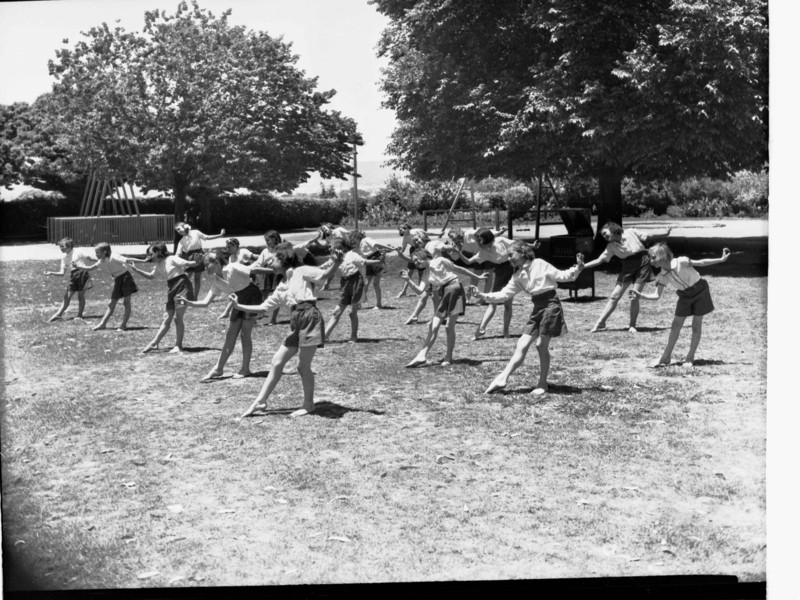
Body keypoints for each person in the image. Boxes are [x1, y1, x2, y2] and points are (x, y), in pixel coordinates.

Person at [233, 242, 344, 418]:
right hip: (296, 320)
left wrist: (336, 262)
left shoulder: (301, 271)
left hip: (309, 316)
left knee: (302, 366)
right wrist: (238, 305)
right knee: (277, 361)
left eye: (273, 259)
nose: (269, 263)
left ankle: (309, 405)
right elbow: (263, 307)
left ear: (283, 259)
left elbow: (323, 275)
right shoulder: (282, 284)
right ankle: (260, 401)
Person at [472, 241, 584, 395]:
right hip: (537, 308)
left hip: (551, 305)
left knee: (540, 345)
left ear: (523, 252)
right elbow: (503, 294)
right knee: (521, 344)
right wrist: (482, 295)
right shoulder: (518, 275)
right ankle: (502, 378)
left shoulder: (539, 263)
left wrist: (577, 268)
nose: (509, 259)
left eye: (511, 255)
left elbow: (563, 276)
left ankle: (542, 383)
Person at [631, 243, 730, 369]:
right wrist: (640, 296)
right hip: (684, 296)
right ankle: (666, 357)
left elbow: (702, 262)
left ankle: (690, 357)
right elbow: (656, 295)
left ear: (663, 256)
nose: (651, 261)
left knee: (696, 324)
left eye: (653, 257)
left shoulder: (681, 261)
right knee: (676, 325)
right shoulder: (662, 275)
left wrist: (721, 259)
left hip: (700, 290)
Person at [177, 252, 271, 380]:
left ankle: (245, 369)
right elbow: (205, 303)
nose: (205, 268)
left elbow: (253, 269)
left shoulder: (232, 267)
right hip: (237, 300)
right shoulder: (216, 281)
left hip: (252, 296)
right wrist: (189, 303)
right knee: (230, 335)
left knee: (245, 334)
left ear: (216, 262)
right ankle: (218, 368)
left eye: (207, 264)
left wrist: (276, 270)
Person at [402, 247, 488, 368]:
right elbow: (419, 291)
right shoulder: (425, 273)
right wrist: (408, 280)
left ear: (424, 256)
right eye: (414, 262)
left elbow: (458, 269)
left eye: (417, 260)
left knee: (449, 326)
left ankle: (448, 356)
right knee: (434, 325)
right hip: (444, 293)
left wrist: (477, 277)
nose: (416, 263)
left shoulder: (440, 260)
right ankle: (421, 356)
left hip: (454, 289)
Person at [582, 221, 671, 333]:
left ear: (612, 228)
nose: (604, 236)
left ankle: (632, 325)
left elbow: (649, 236)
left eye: (605, 233)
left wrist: (665, 234)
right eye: (603, 235)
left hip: (643, 264)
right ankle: (600, 323)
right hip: (627, 268)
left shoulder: (631, 232)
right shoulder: (611, 246)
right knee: (614, 296)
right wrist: (583, 266)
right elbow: (600, 260)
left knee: (634, 296)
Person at [126, 243, 200, 353]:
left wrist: (198, 261)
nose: (150, 256)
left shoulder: (172, 259)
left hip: (183, 287)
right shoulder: (158, 265)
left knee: (177, 317)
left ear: (158, 252)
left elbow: (189, 263)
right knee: (167, 318)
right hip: (172, 288)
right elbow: (151, 276)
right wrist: (136, 270)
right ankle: (154, 343)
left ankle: (178, 346)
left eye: (151, 254)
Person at [454, 227, 516, 339]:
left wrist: (531, 247)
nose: (478, 242)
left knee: (507, 304)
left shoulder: (500, 240)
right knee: (493, 302)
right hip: (501, 272)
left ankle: (505, 332)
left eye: (480, 239)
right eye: (477, 240)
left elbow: (517, 245)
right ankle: (481, 329)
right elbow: (468, 261)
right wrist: (458, 252)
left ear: (487, 238)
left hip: (513, 270)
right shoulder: (482, 252)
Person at [324, 236, 386, 342]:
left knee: (352, 312)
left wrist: (378, 261)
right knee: (336, 312)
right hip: (344, 284)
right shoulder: (333, 258)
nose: (329, 248)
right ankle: (324, 337)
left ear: (338, 246)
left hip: (356, 282)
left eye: (331, 246)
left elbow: (364, 261)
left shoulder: (351, 255)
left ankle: (354, 336)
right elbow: (324, 267)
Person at [75, 242, 143, 331]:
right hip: (118, 280)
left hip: (126, 278)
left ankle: (123, 325)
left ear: (105, 252)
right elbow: (90, 268)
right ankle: (102, 324)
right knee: (112, 303)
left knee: (126, 303)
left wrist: (144, 260)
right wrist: (77, 266)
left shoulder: (114, 256)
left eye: (98, 252)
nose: (96, 255)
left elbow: (128, 260)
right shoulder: (102, 260)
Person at [44, 237, 95, 321]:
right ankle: (58, 314)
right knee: (67, 296)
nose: (61, 248)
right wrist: (51, 273)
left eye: (62, 246)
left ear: (69, 245)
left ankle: (79, 315)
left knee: (80, 296)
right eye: (60, 246)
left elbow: (90, 258)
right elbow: (62, 273)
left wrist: (101, 260)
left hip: (82, 274)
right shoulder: (64, 259)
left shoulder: (78, 251)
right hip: (73, 276)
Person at [174, 221, 226, 301]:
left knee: (197, 279)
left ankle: (194, 298)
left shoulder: (196, 232)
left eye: (179, 229)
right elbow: (178, 254)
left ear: (184, 226)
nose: (178, 231)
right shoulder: (181, 241)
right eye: (177, 230)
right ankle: (181, 296)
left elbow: (207, 237)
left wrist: (219, 235)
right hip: (189, 259)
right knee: (186, 278)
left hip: (199, 257)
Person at [349, 229, 400, 309]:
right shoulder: (358, 246)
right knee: (365, 284)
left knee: (376, 284)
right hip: (369, 262)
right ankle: (359, 303)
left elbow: (377, 245)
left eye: (353, 239)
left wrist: (390, 248)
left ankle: (378, 304)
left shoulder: (366, 239)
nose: (353, 242)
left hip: (377, 260)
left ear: (357, 237)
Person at [254, 230, 284, 325]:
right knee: (264, 294)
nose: (266, 242)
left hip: (277, 274)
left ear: (274, 239)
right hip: (266, 274)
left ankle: (273, 319)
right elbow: (259, 263)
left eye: (268, 240)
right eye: (265, 240)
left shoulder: (281, 249)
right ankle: (260, 312)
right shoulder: (265, 251)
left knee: (277, 294)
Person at [396, 223, 427, 298]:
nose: (402, 230)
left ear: (408, 228)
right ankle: (403, 291)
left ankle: (421, 291)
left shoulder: (416, 231)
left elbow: (427, 233)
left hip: (421, 249)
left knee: (421, 272)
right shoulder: (405, 238)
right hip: (413, 251)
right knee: (410, 271)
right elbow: (403, 249)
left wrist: (438, 233)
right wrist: (399, 251)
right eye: (401, 230)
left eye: (404, 228)